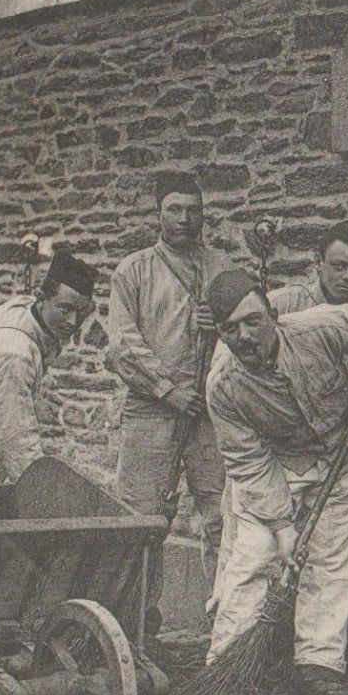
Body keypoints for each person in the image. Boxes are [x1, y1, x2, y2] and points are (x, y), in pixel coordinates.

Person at [204, 269, 348, 695]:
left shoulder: (320, 327)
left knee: (333, 558)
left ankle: (319, 663)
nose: (244, 336)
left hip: (345, 453)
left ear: (273, 315)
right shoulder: (223, 386)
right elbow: (248, 460)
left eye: (252, 321)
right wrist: (282, 528)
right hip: (278, 463)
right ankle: (228, 667)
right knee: (253, 556)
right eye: (230, 329)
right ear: (220, 335)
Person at [106, 172, 234, 636]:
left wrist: (219, 324)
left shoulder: (221, 265)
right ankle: (136, 629)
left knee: (224, 516)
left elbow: (254, 328)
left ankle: (227, 627)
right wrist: (167, 390)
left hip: (208, 414)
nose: (185, 219)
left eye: (194, 210)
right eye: (174, 210)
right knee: (142, 522)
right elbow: (122, 345)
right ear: (158, 214)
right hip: (152, 411)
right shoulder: (134, 270)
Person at [264, 220, 348, 604]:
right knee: (279, 538)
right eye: (339, 266)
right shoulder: (282, 305)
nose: (347, 276)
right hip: (293, 447)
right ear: (317, 261)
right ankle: (267, 625)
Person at [0, 248, 98, 486]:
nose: (73, 322)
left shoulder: (25, 309)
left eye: (81, 312)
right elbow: (18, 440)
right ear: (43, 300)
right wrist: (39, 496)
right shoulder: (15, 355)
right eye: (65, 309)